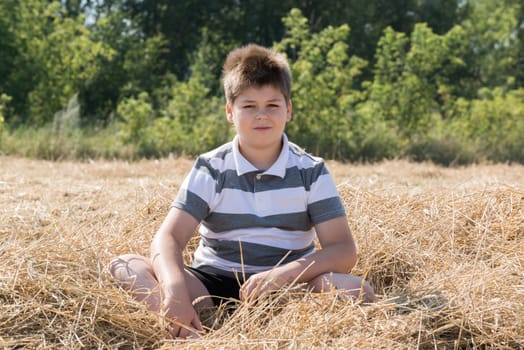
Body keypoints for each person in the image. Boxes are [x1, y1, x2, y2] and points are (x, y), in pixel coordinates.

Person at [109, 44, 374, 339]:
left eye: (272, 105)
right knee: (126, 266)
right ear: (230, 112)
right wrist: (175, 290)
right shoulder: (212, 168)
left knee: (354, 288)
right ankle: (189, 334)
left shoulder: (310, 171)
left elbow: (343, 250)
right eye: (249, 106)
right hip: (211, 284)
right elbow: (169, 237)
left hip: (287, 289)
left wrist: (282, 275)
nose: (262, 115)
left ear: (288, 110)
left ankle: (285, 333)